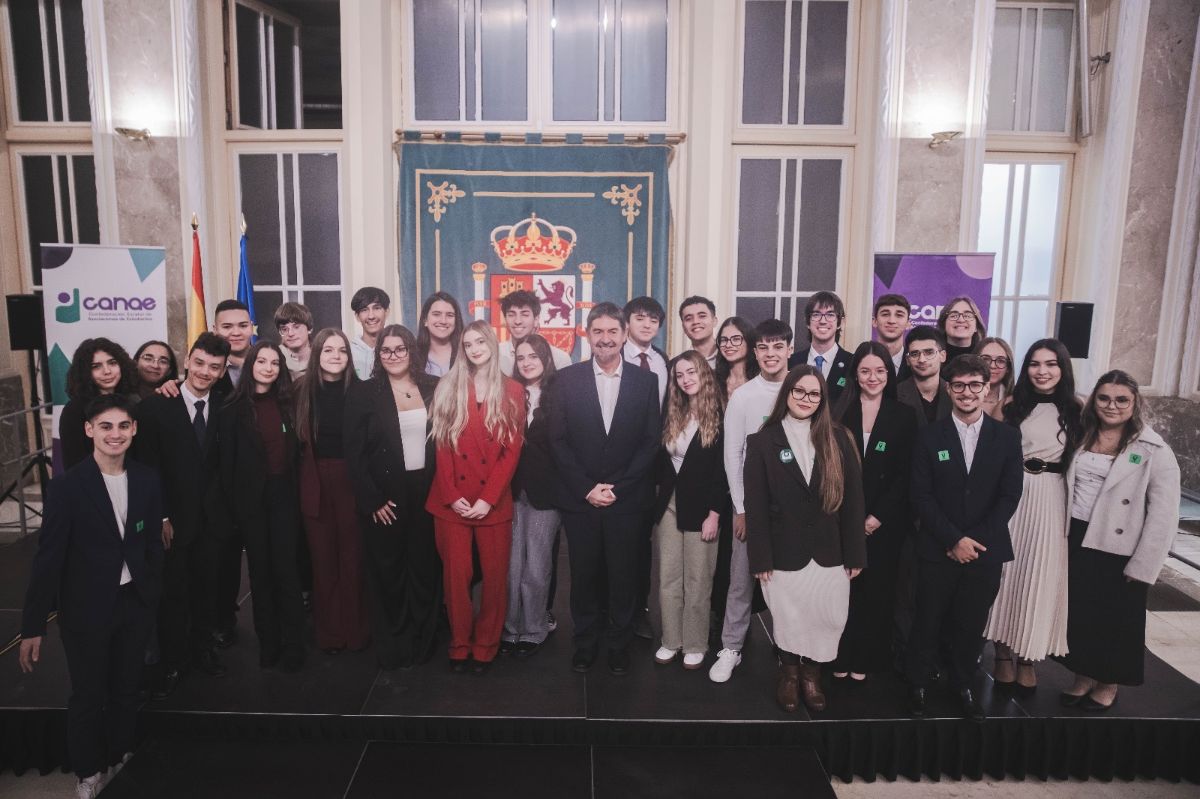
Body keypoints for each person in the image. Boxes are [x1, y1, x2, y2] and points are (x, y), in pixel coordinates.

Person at [19, 394, 163, 799]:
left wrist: (150, 594)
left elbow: (151, 543)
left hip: (133, 604)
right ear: (89, 430)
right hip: (86, 611)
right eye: (105, 426)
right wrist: (33, 626)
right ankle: (87, 772)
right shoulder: (67, 487)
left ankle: (118, 754)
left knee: (126, 688)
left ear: (133, 429)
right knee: (87, 695)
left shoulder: (148, 479)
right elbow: (48, 560)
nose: (114, 434)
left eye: (122, 426)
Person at [906, 355, 1024, 721]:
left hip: (985, 550)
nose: (967, 392)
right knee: (927, 617)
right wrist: (953, 539)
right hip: (938, 546)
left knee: (971, 623)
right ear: (948, 388)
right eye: (959, 385)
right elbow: (920, 495)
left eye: (975, 385)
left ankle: (963, 683)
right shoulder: (929, 436)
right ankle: (918, 682)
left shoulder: (1006, 437)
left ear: (987, 388)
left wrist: (974, 541)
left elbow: (1010, 494)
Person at [547, 302, 661, 675]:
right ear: (587, 335)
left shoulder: (646, 382)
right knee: (583, 575)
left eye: (614, 331)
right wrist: (587, 489)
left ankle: (618, 644)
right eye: (599, 332)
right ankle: (585, 642)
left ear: (625, 335)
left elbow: (649, 441)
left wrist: (618, 489)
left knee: (623, 576)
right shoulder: (567, 380)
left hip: (627, 501)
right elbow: (558, 441)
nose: (606, 338)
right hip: (581, 501)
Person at [745, 365, 865, 712]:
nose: (806, 399)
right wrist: (760, 558)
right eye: (799, 391)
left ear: (822, 399)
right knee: (789, 617)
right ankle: (789, 674)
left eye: (814, 394)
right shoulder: (763, 441)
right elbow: (755, 505)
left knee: (826, 616)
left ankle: (812, 677)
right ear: (788, 393)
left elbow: (855, 500)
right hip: (783, 551)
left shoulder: (839, 438)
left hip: (831, 551)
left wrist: (856, 553)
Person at [1059, 371, 1181, 712]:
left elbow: (1163, 515)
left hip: (1119, 547)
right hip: (1079, 535)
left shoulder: (1154, 449)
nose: (1111, 406)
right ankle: (1082, 675)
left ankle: (1107, 683)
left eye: (1121, 399)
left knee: (1115, 620)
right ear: (1094, 400)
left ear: (1134, 403)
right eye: (1104, 398)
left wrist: (1144, 565)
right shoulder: (1082, 436)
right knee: (1080, 614)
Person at [132, 333, 232, 697]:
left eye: (215, 367)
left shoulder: (226, 405)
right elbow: (147, 469)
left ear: (223, 372)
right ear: (187, 361)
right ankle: (174, 661)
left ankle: (203, 650)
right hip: (171, 520)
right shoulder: (155, 409)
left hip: (212, 520)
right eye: (200, 363)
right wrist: (160, 517)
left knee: (208, 588)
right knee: (173, 593)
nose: (205, 372)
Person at [426, 321, 525, 672]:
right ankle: (459, 642)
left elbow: (510, 453)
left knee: (496, 578)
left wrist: (489, 498)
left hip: (491, 500)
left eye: (480, 341)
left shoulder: (513, 390)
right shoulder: (448, 386)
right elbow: (442, 446)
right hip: (451, 499)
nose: (474, 349)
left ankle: (486, 644)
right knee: (456, 577)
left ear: (492, 345)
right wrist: (452, 495)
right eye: (468, 344)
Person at [985, 339, 1082, 691]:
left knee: (1039, 573)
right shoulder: (1008, 406)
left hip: (1053, 496)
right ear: (1025, 369)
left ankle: (1029, 656)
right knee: (1006, 574)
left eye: (1051, 364)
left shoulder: (1077, 409)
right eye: (1035, 364)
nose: (1042, 371)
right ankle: (1002, 654)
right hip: (1013, 493)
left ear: (1062, 368)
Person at [344, 324, 442, 669]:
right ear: (378, 355)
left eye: (400, 349)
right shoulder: (364, 393)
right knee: (388, 570)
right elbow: (353, 454)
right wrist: (371, 500)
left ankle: (424, 638)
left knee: (425, 567)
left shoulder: (433, 387)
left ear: (412, 352)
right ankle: (394, 640)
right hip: (385, 496)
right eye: (386, 351)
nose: (393, 356)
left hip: (428, 492)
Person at [710, 318, 794, 684]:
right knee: (741, 581)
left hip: (794, 507)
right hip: (751, 506)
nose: (771, 354)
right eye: (764, 347)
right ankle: (731, 647)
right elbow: (733, 454)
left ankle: (792, 652)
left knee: (790, 583)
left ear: (790, 348)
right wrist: (741, 507)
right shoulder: (744, 395)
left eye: (778, 346)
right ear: (755, 351)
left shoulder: (803, 388)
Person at [214, 341, 305, 672]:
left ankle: (294, 645)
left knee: (287, 571)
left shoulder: (288, 404)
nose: (268, 367)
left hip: (284, 497)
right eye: (262, 361)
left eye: (275, 362)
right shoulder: (231, 409)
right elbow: (226, 466)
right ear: (250, 364)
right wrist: (235, 510)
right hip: (250, 503)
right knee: (260, 575)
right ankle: (269, 644)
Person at [831, 342, 917, 681]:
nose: (872, 377)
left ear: (889, 373)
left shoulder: (903, 415)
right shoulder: (838, 412)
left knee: (877, 592)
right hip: (841, 518)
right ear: (855, 374)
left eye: (880, 371)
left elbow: (905, 474)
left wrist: (876, 517)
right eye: (865, 370)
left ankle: (865, 658)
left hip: (885, 521)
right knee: (842, 592)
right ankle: (839, 655)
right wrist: (849, 517)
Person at [294, 329, 369, 654]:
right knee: (323, 560)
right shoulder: (300, 391)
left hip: (353, 479)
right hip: (315, 479)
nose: (336, 356)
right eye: (328, 350)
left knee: (353, 558)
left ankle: (355, 631)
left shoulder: (363, 392)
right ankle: (329, 632)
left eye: (341, 350)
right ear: (317, 355)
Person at [652, 351, 726, 670]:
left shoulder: (721, 414)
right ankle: (671, 639)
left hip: (704, 508)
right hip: (669, 505)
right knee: (668, 576)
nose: (686, 379)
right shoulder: (672, 413)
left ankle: (695, 642)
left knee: (698, 578)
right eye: (680, 375)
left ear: (704, 373)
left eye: (691, 372)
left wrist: (715, 513)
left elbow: (724, 470)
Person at [502, 334, 563, 657]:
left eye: (533, 356)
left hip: (546, 492)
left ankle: (535, 628)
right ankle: (510, 628)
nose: (527, 362)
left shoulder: (559, 392)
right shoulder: (508, 391)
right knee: (511, 566)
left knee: (537, 566)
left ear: (545, 358)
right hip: (508, 490)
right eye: (521, 357)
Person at [60, 338, 139, 470]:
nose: (107, 371)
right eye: (96, 366)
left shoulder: (132, 402)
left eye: (112, 363)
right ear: (85, 373)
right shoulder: (74, 410)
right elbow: (73, 462)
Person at [787, 291, 852, 403]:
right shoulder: (791, 362)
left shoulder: (852, 363)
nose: (823, 321)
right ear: (807, 322)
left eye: (830, 315)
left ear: (840, 322)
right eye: (816, 315)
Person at [497, 289, 572, 376]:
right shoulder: (496, 355)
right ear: (505, 319)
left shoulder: (559, 358)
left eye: (524, 315)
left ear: (536, 320)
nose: (517, 321)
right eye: (511, 315)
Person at [896, 327, 952, 427]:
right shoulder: (894, 395)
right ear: (908, 360)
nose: (921, 359)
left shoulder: (955, 394)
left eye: (929, 352)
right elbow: (882, 441)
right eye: (914, 354)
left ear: (943, 356)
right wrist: (881, 444)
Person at [623, 295, 669, 404]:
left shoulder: (662, 359)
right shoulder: (616, 356)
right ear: (626, 322)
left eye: (654, 321)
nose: (647, 325)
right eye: (639, 319)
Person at [417, 291, 464, 377]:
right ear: (425, 320)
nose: (443, 321)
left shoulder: (466, 353)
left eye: (450, 315)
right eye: (436, 314)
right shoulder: (413, 356)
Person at [212, 299, 254, 391]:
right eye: (227, 327)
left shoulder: (271, 361)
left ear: (251, 327)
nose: (236, 333)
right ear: (215, 330)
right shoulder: (206, 366)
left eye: (243, 326)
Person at [349, 287, 390, 380]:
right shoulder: (348, 352)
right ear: (357, 317)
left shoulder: (396, 351)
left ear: (387, 312)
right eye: (364, 310)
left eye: (377, 308)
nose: (371, 316)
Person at [713, 316, 759, 400]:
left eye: (736, 339)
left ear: (749, 341)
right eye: (723, 340)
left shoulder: (761, 379)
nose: (728, 345)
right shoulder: (712, 380)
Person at [872, 293, 912, 381]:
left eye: (899, 315)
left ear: (908, 323)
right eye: (885, 314)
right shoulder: (859, 360)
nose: (892, 321)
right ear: (874, 321)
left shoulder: (915, 364)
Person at [936, 296, 986, 364]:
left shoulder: (984, 359)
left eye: (967, 316)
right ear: (943, 324)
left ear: (976, 326)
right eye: (953, 316)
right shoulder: (932, 357)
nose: (961, 320)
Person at [975, 336, 1015, 420]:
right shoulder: (958, 396)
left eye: (1001, 361)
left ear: (1008, 368)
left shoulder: (1015, 400)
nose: (992, 366)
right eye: (985, 359)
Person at [274, 301, 314, 377]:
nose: (290, 334)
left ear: (309, 328)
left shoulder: (321, 355)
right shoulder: (274, 355)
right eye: (284, 329)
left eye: (296, 327)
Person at [679, 295, 719, 367]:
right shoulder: (678, 364)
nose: (695, 322)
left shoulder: (730, 358)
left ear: (714, 321)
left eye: (702, 316)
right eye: (688, 319)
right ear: (683, 327)